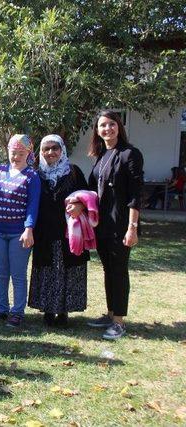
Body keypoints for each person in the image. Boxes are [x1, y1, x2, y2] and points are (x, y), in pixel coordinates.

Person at [78, 110, 143, 340]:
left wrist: (132, 227)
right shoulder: (102, 155)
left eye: (111, 124)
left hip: (121, 225)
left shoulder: (130, 154)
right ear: (97, 130)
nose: (107, 129)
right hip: (103, 226)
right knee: (108, 270)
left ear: (119, 127)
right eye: (102, 125)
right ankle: (110, 312)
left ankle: (118, 322)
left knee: (119, 271)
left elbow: (136, 194)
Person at [0, 134, 41, 328]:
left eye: (21, 153)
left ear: (28, 154)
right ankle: (1, 308)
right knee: (0, 273)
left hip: (18, 234)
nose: (16, 157)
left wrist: (28, 229)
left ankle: (17, 312)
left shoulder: (32, 176)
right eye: (13, 152)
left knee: (18, 274)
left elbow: (33, 205)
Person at [28, 134, 89, 327]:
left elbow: (88, 196)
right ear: (41, 152)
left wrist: (80, 206)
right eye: (46, 149)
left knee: (68, 270)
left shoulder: (74, 172)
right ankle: (47, 309)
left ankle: (64, 312)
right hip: (45, 232)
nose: (50, 152)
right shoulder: (36, 174)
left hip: (69, 233)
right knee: (47, 270)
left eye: (55, 148)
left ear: (62, 150)